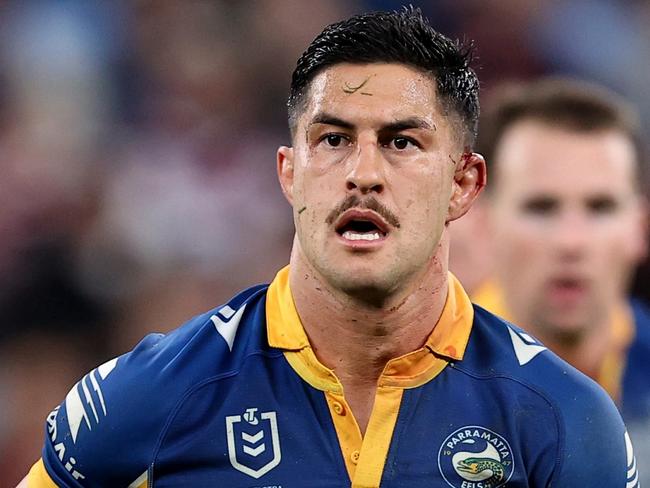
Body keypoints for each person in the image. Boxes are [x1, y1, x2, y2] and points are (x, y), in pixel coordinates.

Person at [21, 9, 639, 487]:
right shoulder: (155, 394)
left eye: (401, 143)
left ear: (464, 183)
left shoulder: (564, 420)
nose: (363, 172)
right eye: (334, 139)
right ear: (290, 173)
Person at [467, 78, 650, 484]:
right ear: (482, 225)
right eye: (541, 207)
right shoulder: (416, 382)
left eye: (600, 207)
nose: (572, 242)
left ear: (640, 228)